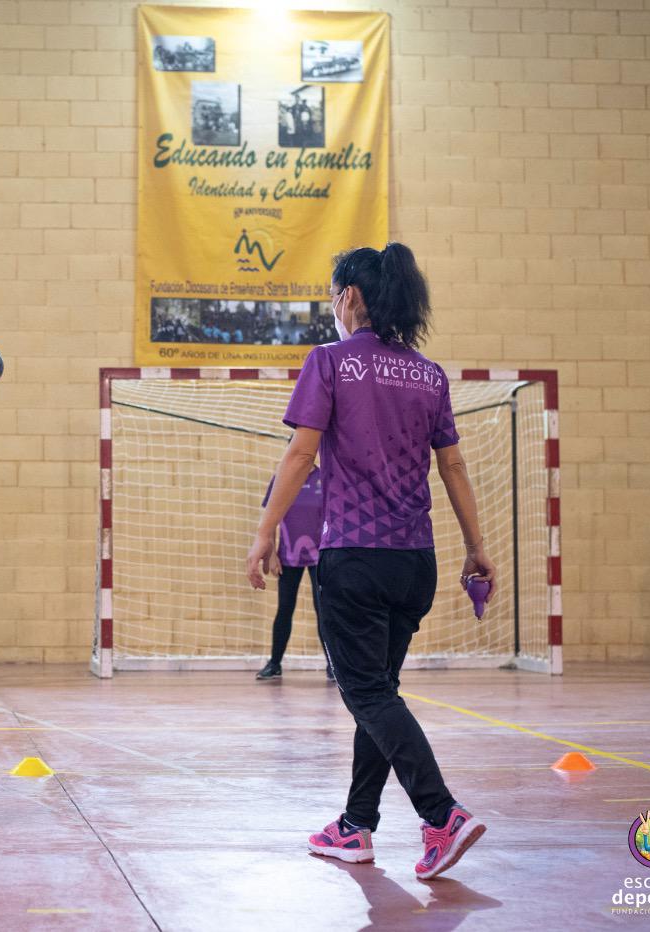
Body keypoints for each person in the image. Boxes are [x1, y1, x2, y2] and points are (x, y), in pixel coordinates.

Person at [246, 242, 495, 881]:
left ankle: (441, 815)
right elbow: (455, 466)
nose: (332, 305)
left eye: (333, 294)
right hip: (417, 562)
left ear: (350, 297)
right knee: (376, 695)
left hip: (355, 559)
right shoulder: (430, 375)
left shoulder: (329, 362)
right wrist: (477, 546)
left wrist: (265, 531)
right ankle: (356, 827)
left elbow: (300, 457)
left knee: (366, 693)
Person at [254, 463, 330, 681]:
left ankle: (333, 666)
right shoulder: (281, 479)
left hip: (320, 556)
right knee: (284, 609)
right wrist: (272, 554)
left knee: (324, 610)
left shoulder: (324, 477)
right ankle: (275, 663)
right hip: (289, 555)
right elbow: (271, 520)